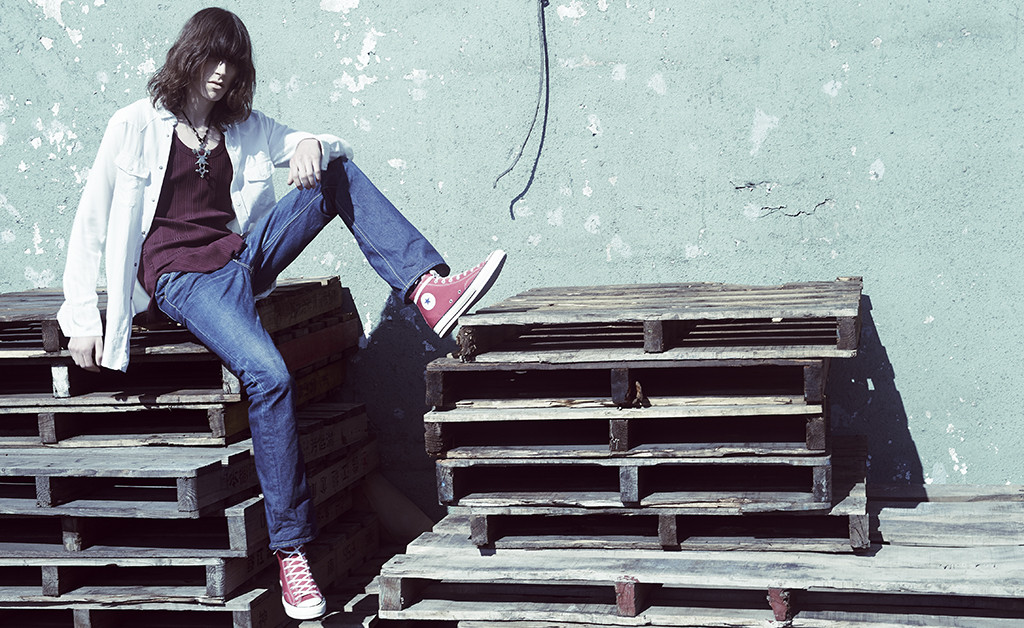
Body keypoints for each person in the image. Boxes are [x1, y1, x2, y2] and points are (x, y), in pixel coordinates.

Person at [57, 7, 505, 621]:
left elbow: (314, 144)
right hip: (182, 280)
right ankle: (292, 554)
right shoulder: (134, 124)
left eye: (233, 62)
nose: (221, 72)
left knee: (335, 171)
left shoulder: (242, 126)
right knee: (269, 376)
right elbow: (91, 221)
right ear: (188, 55)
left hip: (241, 260)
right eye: (212, 57)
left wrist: (312, 145)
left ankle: (427, 289)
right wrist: (83, 316)